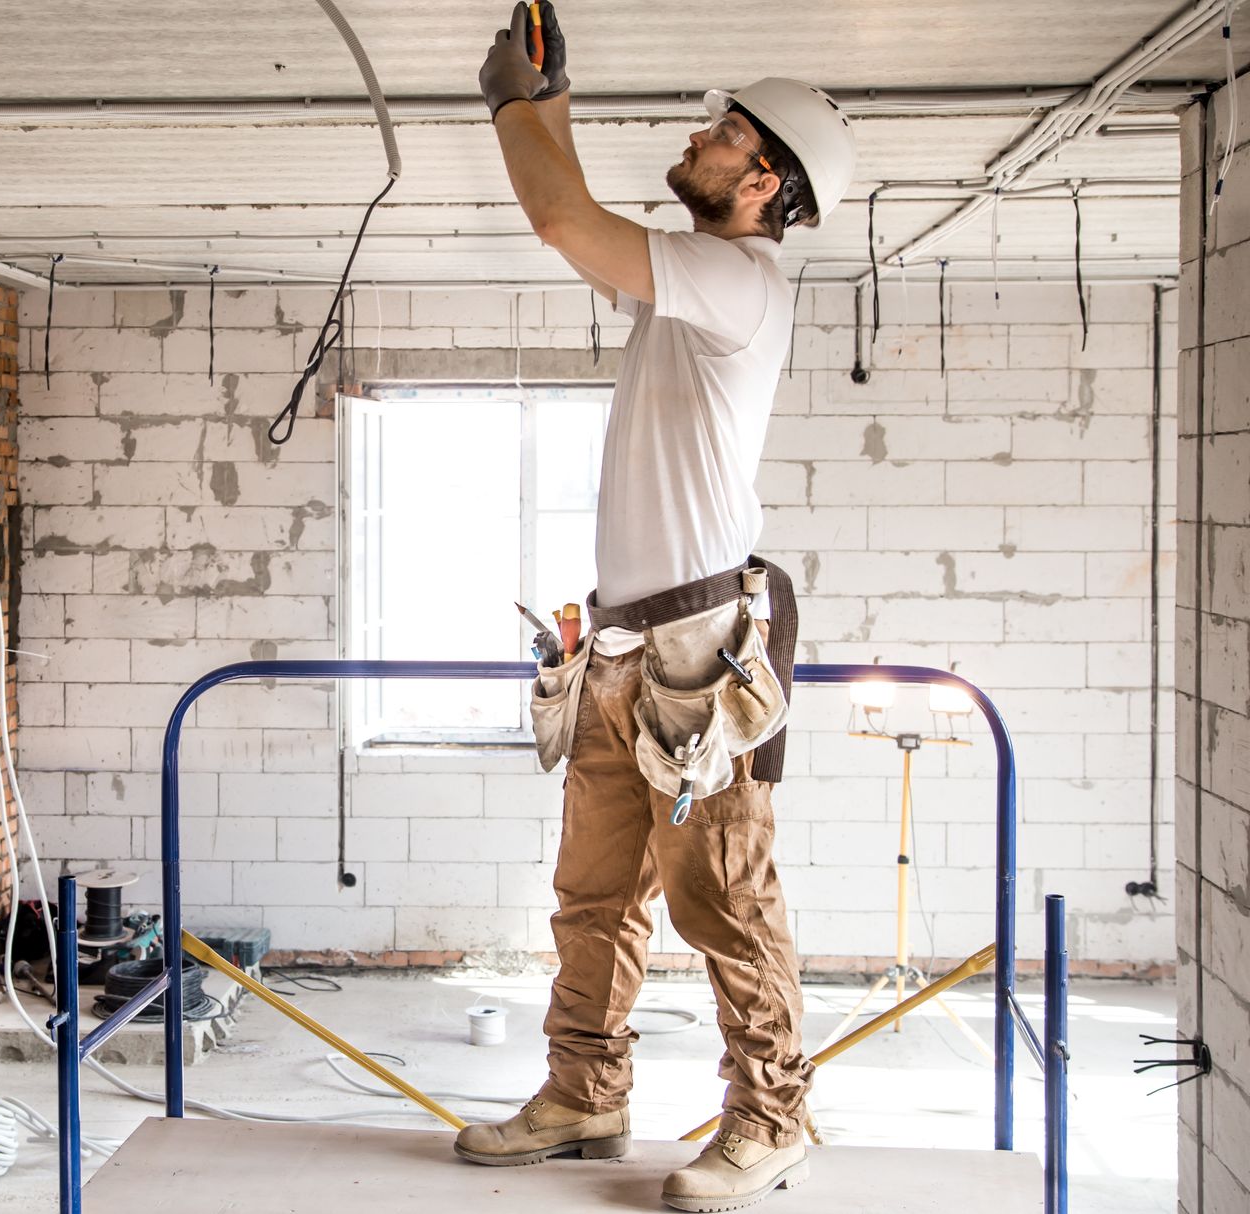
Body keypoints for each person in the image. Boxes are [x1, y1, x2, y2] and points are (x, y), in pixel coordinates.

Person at [456, 6, 857, 1212]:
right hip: (625, 646)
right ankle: (584, 1090)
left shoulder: (737, 279)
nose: (700, 133)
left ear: (764, 177)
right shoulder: (691, 289)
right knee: (594, 895)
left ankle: (773, 1117)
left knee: (721, 896)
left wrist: (517, 106)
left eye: (723, 130)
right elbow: (582, 219)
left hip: (694, 653)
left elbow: (561, 219)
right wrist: (551, 98)